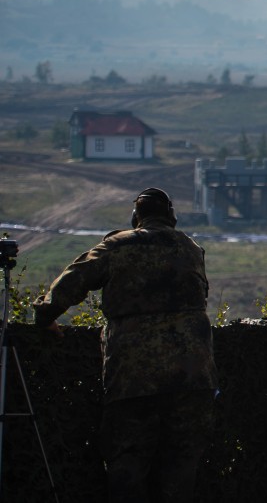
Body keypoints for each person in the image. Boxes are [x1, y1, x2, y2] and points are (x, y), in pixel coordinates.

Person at [33, 187, 218, 502]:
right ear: (171, 217)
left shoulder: (118, 246)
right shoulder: (191, 248)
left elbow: (72, 281)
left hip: (135, 376)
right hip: (193, 375)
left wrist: (45, 316)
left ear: (137, 217)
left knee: (127, 465)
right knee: (180, 468)